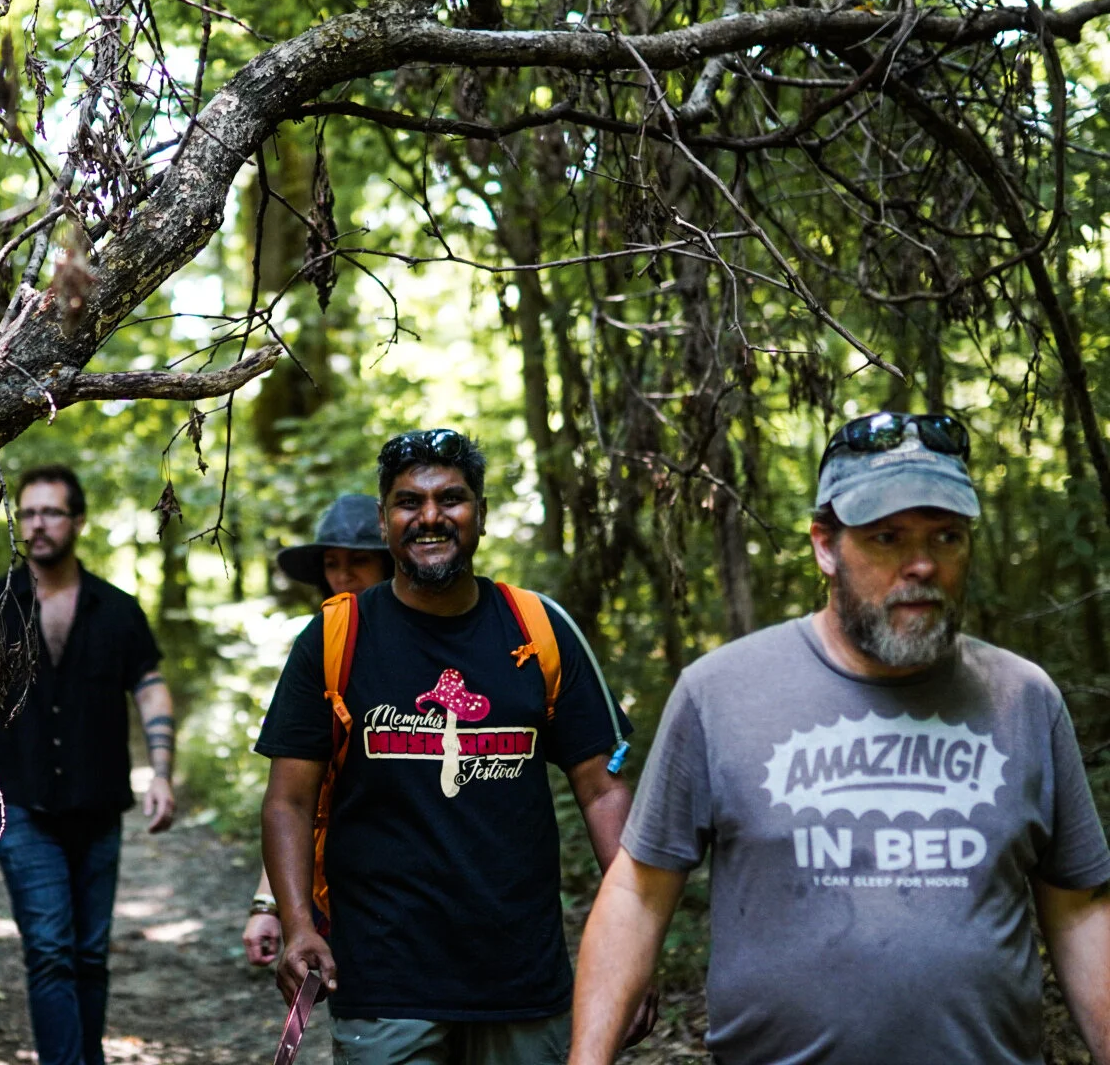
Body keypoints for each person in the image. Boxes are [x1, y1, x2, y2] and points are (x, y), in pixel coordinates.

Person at [569, 411, 1110, 1065]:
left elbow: (1080, 910)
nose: (922, 565)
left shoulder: (1023, 698)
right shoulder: (721, 692)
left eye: (946, 536)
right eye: (886, 537)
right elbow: (638, 893)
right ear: (825, 546)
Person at [258, 429, 638, 1065]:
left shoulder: (540, 629)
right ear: (384, 519)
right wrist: (297, 924)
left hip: (523, 977)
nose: (430, 516)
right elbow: (288, 801)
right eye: (409, 502)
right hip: (383, 977)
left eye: (451, 499)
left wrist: (631, 944)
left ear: (480, 514)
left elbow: (603, 789)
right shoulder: (335, 637)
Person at [0, 464, 177, 1065]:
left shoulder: (117, 610)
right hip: (19, 803)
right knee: (49, 950)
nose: (37, 524)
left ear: (78, 521)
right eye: (28, 513)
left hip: (98, 804)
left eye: (51, 512)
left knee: (89, 954)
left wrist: (162, 772)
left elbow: (150, 688)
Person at [244, 494, 395, 966]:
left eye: (358, 561)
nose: (342, 575)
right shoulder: (323, 650)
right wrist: (270, 905)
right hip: (347, 891)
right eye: (332, 563)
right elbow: (298, 797)